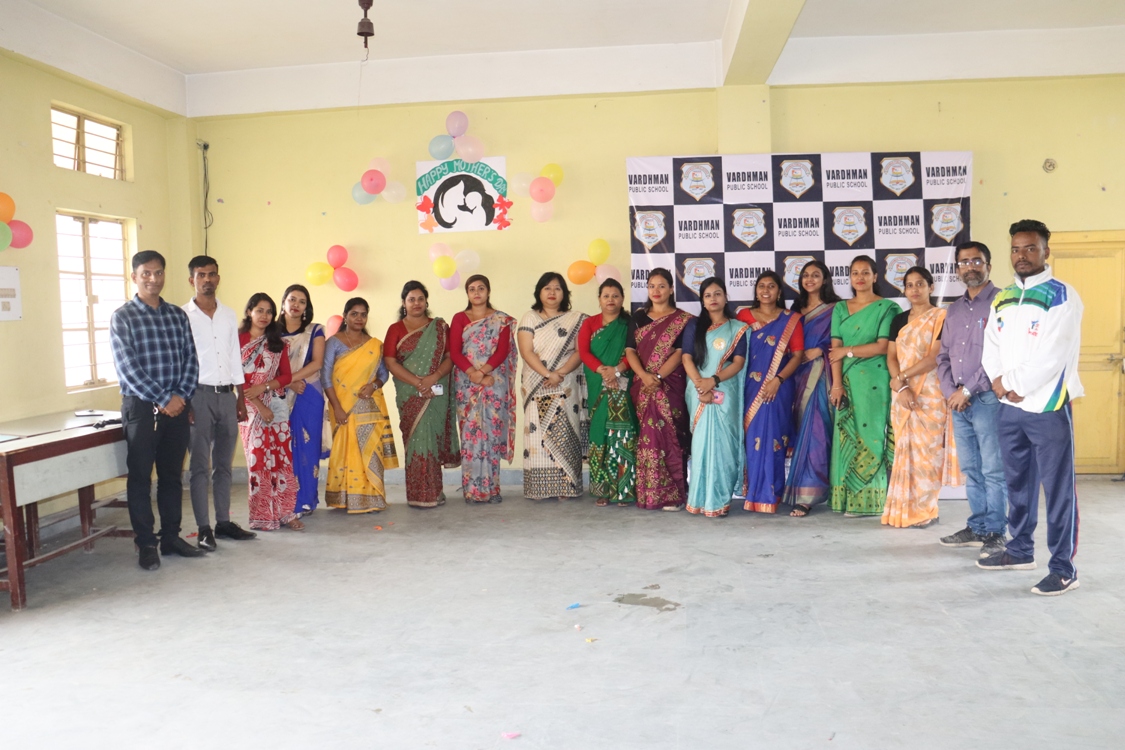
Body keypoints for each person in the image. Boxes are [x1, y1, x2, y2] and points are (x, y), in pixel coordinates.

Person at [979, 220, 1084, 596]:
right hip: (1009, 407)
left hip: (1048, 405)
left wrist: (1014, 384)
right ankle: (1020, 550)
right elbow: (991, 344)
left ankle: (1063, 568)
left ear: (1045, 251)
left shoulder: (1062, 295)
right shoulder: (1004, 296)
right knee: (1017, 483)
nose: (1021, 255)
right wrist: (1000, 382)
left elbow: (1054, 353)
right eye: (1015, 249)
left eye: (1030, 248)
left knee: (1058, 489)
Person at [110, 250, 204, 570]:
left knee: (171, 476)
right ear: (134, 277)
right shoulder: (123, 317)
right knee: (140, 477)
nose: (153, 279)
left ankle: (171, 537)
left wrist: (180, 397)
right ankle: (147, 543)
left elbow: (191, 359)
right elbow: (127, 368)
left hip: (176, 407)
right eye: (146, 273)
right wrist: (163, 398)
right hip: (142, 407)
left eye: (159, 272)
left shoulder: (177, 315)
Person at [936, 241, 1008, 557]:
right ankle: (978, 527)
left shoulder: (1003, 302)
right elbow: (943, 356)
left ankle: (996, 532)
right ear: (957, 269)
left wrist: (967, 391)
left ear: (988, 265)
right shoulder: (953, 310)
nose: (970, 267)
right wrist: (950, 392)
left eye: (977, 261)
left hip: (988, 398)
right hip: (959, 402)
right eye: (964, 262)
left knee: (993, 469)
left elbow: (1001, 356)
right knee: (971, 468)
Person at [183, 255, 257, 551]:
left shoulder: (228, 314)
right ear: (192, 280)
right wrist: (186, 400)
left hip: (227, 396)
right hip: (197, 396)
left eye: (212, 274)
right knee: (200, 466)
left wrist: (240, 397)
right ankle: (204, 528)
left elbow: (234, 356)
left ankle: (223, 523)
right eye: (201, 275)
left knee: (224, 465)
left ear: (218, 278)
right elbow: (180, 361)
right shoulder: (183, 316)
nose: (207, 279)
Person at [883, 266, 959, 529]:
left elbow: (934, 358)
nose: (914, 289)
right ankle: (903, 510)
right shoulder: (898, 320)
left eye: (920, 284)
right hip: (903, 395)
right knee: (905, 453)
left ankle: (927, 510)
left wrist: (902, 378)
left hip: (931, 395)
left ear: (931, 287)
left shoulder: (941, 317)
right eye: (909, 285)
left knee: (928, 454)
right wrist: (902, 388)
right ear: (904, 290)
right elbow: (891, 357)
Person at [827, 255, 901, 517]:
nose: (860, 277)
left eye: (865, 272)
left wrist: (848, 351)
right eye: (855, 273)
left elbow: (882, 347)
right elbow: (834, 350)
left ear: (875, 276)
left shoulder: (887, 308)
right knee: (847, 434)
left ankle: (870, 501)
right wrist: (837, 384)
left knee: (871, 436)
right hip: (846, 381)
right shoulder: (840, 308)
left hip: (874, 380)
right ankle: (846, 499)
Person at [385, 281, 461, 508]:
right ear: (404, 303)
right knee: (415, 441)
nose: (416, 303)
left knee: (432, 440)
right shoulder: (395, 329)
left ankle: (434, 493)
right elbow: (390, 361)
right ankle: (417, 494)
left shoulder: (439, 327)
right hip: (409, 394)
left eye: (420, 299)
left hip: (435, 392)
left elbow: (450, 357)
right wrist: (418, 383)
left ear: (426, 302)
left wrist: (433, 377)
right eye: (411, 299)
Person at [625, 268, 693, 511]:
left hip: (671, 384)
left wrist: (658, 376)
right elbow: (630, 351)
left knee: (673, 434)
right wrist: (645, 376)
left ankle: (676, 494)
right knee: (648, 436)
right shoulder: (638, 318)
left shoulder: (683, 319)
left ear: (671, 289)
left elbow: (681, 353)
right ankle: (650, 492)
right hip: (643, 386)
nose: (656, 290)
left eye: (662, 285)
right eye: (652, 286)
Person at [737, 271, 804, 513]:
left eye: (771, 286)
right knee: (753, 438)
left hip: (779, 388)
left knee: (774, 437)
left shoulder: (791, 320)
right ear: (756, 291)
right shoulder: (743, 316)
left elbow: (797, 356)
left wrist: (778, 380)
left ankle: (771, 494)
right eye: (761, 286)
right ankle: (753, 493)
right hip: (750, 387)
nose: (766, 290)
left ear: (779, 292)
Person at [517, 272, 588, 500]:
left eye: (557, 288)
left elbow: (580, 351)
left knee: (565, 433)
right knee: (537, 437)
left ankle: (566, 487)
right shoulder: (529, 318)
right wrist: (548, 374)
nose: (552, 292)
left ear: (564, 293)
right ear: (539, 292)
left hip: (565, 383)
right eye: (547, 288)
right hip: (537, 383)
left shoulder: (574, 319)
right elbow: (526, 351)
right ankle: (539, 488)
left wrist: (560, 373)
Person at [323, 298, 398, 513]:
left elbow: (383, 374)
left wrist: (373, 386)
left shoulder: (374, 344)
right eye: (354, 314)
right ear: (345, 316)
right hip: (342, 406)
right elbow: (325, 377)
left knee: (370, 449)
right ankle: (344, 498)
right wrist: (337, 407)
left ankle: (372, 497)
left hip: (369, 405)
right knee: (345, 451)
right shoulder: (334, 342)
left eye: (363, 314)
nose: (359, 318)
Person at [682, 278, 749, 517]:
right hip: (698, 391)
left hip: (724, 392)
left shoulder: (737, 328)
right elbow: (687, 358)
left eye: (717, 293)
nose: (713, 298)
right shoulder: (694, 326)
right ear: (702, 300)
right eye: (708, 295)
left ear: (726, 297)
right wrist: (701, 386)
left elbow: (738, 363)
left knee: (724, 446)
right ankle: (699, 499)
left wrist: (714, 381)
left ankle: (719, 501)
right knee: (701, 447)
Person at [450, 275, 518, 504]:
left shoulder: (501, 320)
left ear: (488, 291)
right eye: (472, 289)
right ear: (467, 293)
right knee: (470, 436)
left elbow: (502, 351)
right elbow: (455, 352)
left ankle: (493, 489)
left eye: (481, 288)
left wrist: (484, 373)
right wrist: (474, 374)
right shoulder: (460, 318)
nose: (477, 292)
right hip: (467, 384)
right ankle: (471, 490)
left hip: (493, 382)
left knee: (491, 435)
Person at [238, 293, 302, 531]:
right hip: (249, 408)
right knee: (258, 461)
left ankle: (287, 513)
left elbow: (285, 376)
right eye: (259, 310)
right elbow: (237, 379)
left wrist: (264, 387)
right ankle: (262, 515)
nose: (264, 316)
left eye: (269, 312)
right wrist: (260, 404)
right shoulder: (237, 340)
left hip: (276, 404)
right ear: (249, 312)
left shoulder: (277, 343)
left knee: (282, 459)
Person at [783, 261, 840, 516]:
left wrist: (821, 350)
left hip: (821, 377)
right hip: (797, 377)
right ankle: (800, 489)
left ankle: (808, 495)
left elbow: (844, 340)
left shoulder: (836, 309)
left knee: (816, 432)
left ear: (825, 279)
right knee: (801, 432)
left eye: (815, 275)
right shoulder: (794, 311)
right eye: (805, 275)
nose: (810, 279)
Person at [578, 278, 637, 507]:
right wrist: (602, 371)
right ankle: (602, 490)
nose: (610, 300)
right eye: (606, 296)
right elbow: (584, 352)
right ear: (599, 299)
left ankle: (624, 490)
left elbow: (635, 352)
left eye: (615, 296)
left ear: (622, 299)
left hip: (623, 382)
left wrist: (617, 370)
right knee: (599, 433)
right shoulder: (589, 323)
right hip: (598, 381)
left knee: (623, 434)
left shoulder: (630, 324)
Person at [278, 284, 328, 516]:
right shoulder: (271, 332)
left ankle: (306, 500)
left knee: (307, 447)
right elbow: (266, 365)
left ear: (307, 307)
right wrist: (288, 382)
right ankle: (286, 501)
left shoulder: (315, 330)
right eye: (292, 299)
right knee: (283, 448)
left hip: (308, 393)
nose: (296, 305)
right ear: (283, 303)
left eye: (302, 301)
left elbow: (317, 363)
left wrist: (292, 379)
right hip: (280, 394)